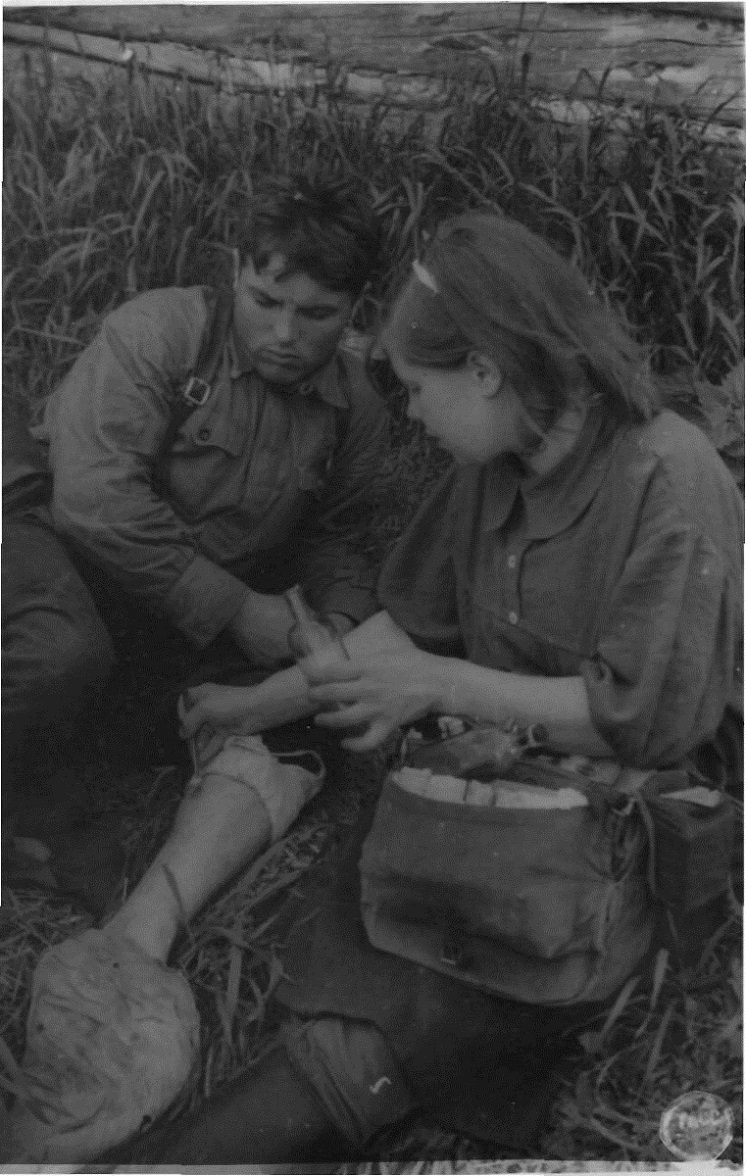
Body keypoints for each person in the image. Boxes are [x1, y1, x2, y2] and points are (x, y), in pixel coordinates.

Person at [5, 212, 742, 1165]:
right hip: (497, 796)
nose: (414, 416)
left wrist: (440, 685)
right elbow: (410, 624)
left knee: (391, 1024)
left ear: (486, 371)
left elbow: (642, 724)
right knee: (339, 950)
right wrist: (261, 703)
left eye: (421, 388)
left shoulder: (668, 478)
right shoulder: (497, 462)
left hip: (609, 828)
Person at [2, 174, 388, 901]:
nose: (285, 335)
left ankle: (64, 780)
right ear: (236, 271)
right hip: (51, 549)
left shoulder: (354, 404)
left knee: (287, 711)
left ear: (355, 308)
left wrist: (334, 627)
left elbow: (340, 535)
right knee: (60, 650)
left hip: (164, 612)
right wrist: (238, 608)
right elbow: (95, 500)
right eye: (265, 301)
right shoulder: (163, 332)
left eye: (316, 314)